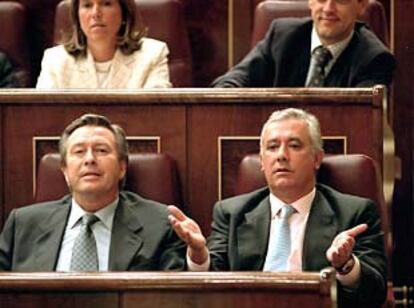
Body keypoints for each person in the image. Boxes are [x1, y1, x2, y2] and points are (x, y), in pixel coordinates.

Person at [169, 108, 387, 307]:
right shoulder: (231, 213)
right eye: (273, 147)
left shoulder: (355, 213)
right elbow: (212, 284)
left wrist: (346, 265)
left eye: (294, 145)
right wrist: (199, 254)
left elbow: (376, 294)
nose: (282, 155)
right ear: (263, 161)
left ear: (317, 158)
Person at [0, 113, 186, 271]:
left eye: (101, 150)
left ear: (122, 167)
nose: (89, 159)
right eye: (79, 151)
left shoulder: (161, 225)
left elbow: (176, 295)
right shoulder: (23, 225)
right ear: (64, 170)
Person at [211, 0, 395, 88]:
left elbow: (359, 123)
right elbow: (234, 80)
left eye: (341, 0)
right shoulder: (282, 36)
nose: (328, 9)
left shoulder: (375, 58)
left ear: (361, 5)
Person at [36, 0, 171, 88]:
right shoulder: (55, 60)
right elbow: (46, 120)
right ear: (77, 17)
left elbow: (156, 117)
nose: (96, 13)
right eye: (87, 5)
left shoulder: (152, 54)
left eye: (106, 3)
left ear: (124, 13)